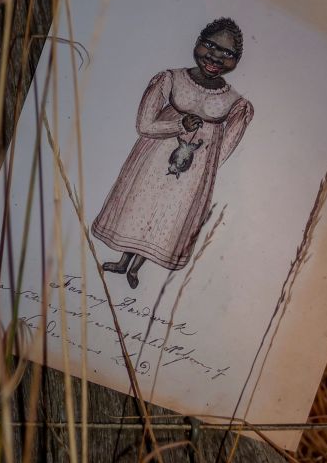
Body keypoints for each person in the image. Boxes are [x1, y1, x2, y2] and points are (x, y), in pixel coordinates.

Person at [92, 18, 253, 288]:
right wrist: (178, 125)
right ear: (197, 42)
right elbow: (144, 124)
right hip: (153, 160)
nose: (215, 56)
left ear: (237, 60)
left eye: (227, 54)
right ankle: (122, 263)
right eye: (210, 45)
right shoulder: (171, 79)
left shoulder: (235, 102)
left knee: (167, 216)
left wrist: (202, 165)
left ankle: (136, 268)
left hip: (193, 173)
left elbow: (226, 146)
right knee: (141, 207)